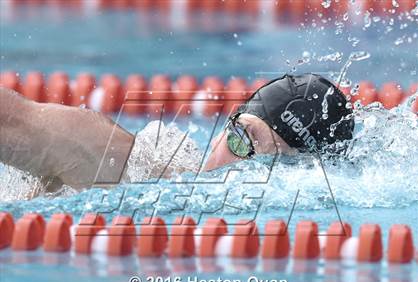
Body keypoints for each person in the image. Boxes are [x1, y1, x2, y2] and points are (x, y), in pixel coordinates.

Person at [0, 73, 354, 195]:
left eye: (272, 167)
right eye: (239, 139)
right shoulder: (125, 165)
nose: (238, 169)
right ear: (225, 125)